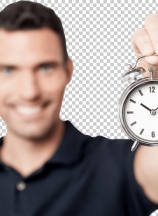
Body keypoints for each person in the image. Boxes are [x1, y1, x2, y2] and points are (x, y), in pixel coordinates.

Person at [0, 1, 157, 215]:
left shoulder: (118, 166)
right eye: (8, 70)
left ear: (68, 71)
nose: (29, 92)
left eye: (45, 68)